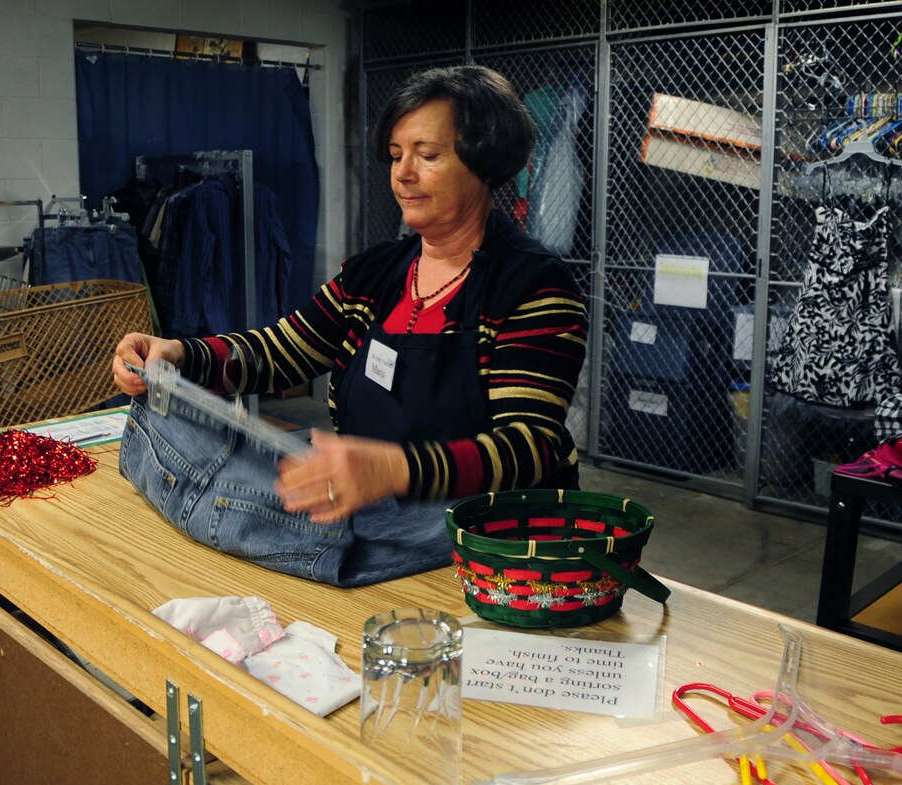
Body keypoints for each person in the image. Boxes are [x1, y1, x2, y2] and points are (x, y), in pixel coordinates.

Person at [113, 65, 588, 527]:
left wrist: (394, 469)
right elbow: (281, 353)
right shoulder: (373, 275)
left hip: (494, 544)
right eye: (396, 154)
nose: (402, 174)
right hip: (380, 525)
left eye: (427, 155)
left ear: (485, 164)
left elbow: (529, 445)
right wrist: (180, 355)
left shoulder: (533, 286)